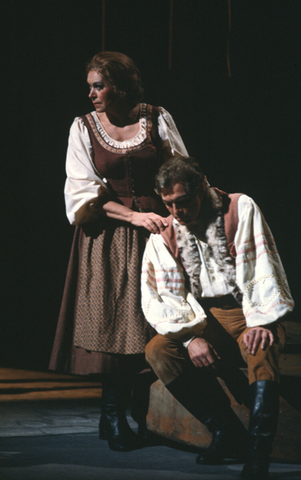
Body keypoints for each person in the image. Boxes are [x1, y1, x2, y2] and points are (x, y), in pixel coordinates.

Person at [49, 52, 188, 451]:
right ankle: (112, 415)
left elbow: (181, 172)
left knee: (153, 325)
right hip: (108, 237)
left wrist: (170, 215)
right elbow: (82, 189)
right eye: (90, 85)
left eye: (99, 85)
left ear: (120, 86)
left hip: (159, 233)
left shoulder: (156, 118)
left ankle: (148, 415)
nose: (91, 93)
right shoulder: (84, 127)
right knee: (117, 326)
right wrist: (133, 216)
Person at [142, 157, 294, 479]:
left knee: (261, 350)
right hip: (204, 315)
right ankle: (227, 432)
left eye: (182, 202)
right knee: (158, 350)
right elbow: (164, 293)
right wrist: (189, 336)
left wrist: (261, 321)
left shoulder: (237, 208)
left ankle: (257, 452)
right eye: (168, 204)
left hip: (248, 308)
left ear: (201, 188)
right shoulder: (166, 230)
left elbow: (262, 263)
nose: (176, 212)